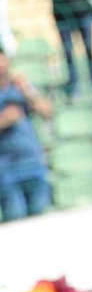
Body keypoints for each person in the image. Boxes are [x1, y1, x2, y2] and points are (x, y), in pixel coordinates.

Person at [0, 51, 52, 222]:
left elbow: (47, 111)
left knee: (41, 223)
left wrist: (27, 90)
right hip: (6, 169)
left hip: (33, 162)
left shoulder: (19, 87)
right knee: (16, 224)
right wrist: (4, 120)